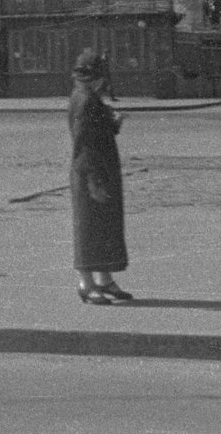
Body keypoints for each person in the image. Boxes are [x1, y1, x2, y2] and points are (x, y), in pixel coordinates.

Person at [67, 49, 132, 305]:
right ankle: (86, 283)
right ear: (95, 79)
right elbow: (83, 143)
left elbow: (99, 130)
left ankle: (104, 280)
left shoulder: (89, 97)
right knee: (89, 228)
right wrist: (93, 179)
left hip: (100, 171)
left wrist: (114, 122)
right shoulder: (84, 100)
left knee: (104, 226)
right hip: (90, 173)